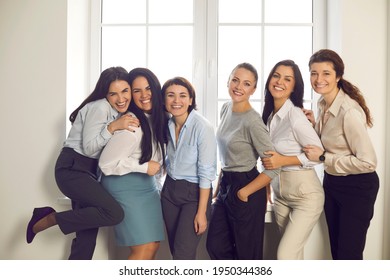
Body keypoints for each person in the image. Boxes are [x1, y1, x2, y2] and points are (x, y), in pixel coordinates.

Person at [26, 66, 139, 259]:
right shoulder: (100, 107)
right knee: (114, 213)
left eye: (125, 91)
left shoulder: (117, 111)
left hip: (88, 172)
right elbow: (89, 148)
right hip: (72, 169)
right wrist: (113, 127)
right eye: (113, 93)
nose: (121, 99)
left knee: (86, 238)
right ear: (106, 94)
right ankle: (49, 218)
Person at [303, 49, 379, 260]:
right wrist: (313, 125)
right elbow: (331, 142)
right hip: (333, 183)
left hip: (358, 187)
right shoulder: (322, 104)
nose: (319, 79)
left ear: (338, 76)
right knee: (337, 253)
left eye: (326, 73)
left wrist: (323, 158)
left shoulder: (349, 111)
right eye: (314, 73)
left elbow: (368, 162)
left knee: (349, 255)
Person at [206, 62, 280, 260]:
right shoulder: (225, 108)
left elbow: (273, 169)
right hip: (225, 186)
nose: (239, 87)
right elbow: (228, 154)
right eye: (235, 80)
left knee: (247, 254)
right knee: (215, 245)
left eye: (246, 84)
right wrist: (219, 186)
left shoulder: (253, 121)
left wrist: (244, 192)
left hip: (246, 186)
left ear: (253, 89)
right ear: (228, 81)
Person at [98, 67, 167, 260]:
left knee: (152, 246)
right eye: (137, 91)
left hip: (147, 187)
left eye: (148, 88)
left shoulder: (157, 119)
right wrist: (144, 167)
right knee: (143, 249)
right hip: (125, 187)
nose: (144, 95)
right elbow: (106, 164)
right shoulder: (132, 125)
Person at [261, 60, 324, 259]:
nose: (280, 82)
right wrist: (267, 186)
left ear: (294, 87)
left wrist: (282, 160)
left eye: (287, 79)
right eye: (276, 76)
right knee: (293, 257)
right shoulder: (270, 117)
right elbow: (268, 159)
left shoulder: (295, 115)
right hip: (280, 195)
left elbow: (317, 155)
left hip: (305, 195)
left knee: (285, 255)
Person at [160, 77, 217, 260]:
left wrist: (201, 213)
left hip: (193, 195)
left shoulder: (203, 127)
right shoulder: (167, 124)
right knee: (176, 253)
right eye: (171, 95)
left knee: (183, 255)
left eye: (183, 95)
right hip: (169, 192)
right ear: (164, 100)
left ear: (191, 100)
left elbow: (206, 173)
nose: (177, 101)